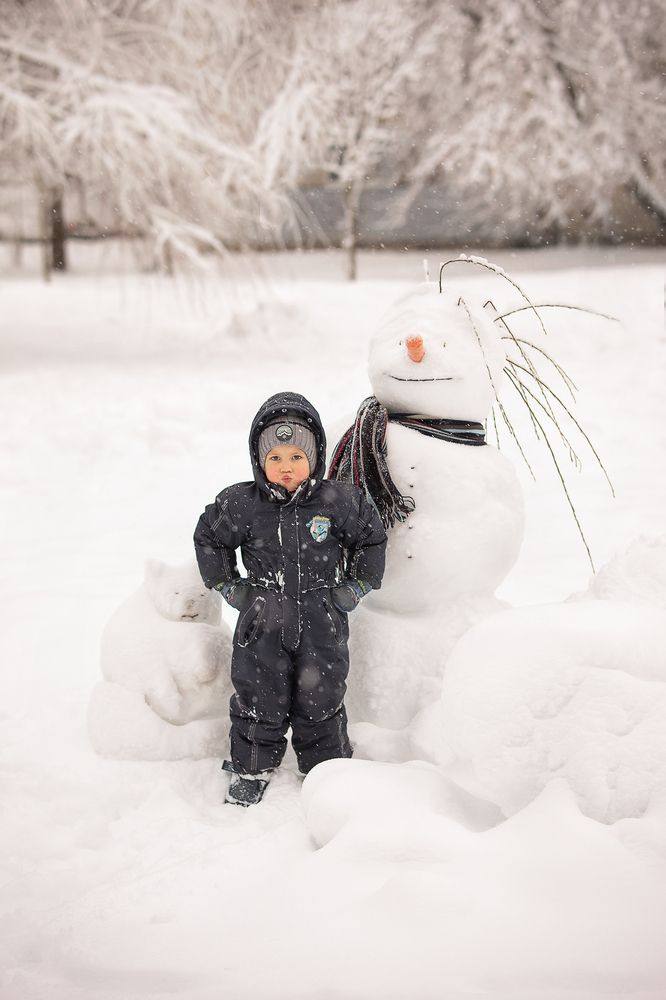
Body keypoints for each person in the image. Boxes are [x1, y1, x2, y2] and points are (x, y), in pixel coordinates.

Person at [194, 391, 387, 806]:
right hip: (263, 617)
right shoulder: (241, 504)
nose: (286, 468)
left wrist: (356, 586)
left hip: (323, 618)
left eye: (297, 457)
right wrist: (229, 584)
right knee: (257, 693)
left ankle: (327, 766)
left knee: (323, 695)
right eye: (275, 458)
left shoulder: (340, 502)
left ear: (314, 458)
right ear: (259, 460)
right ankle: (251, 765)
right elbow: (209, 537)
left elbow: (371, 538)